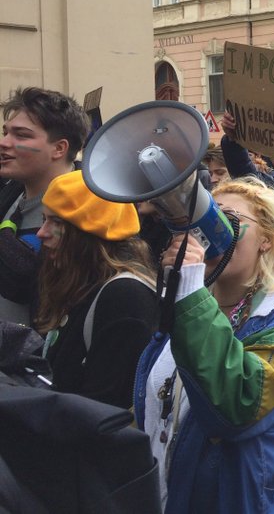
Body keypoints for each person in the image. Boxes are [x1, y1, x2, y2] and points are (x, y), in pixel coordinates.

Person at [134, 177, 274, 512]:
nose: (209, 233)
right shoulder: (187, 308)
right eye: (203, 220)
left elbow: (238, 405)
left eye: (228, 221)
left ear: (266, 240)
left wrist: (188, 288)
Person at [33, 171, 157, 407]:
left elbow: (102, 410)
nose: (42, 233)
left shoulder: (125, 297)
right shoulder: (80, 282)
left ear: (90, 230)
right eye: (43, 219)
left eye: (56, 222)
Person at [0, 87, 89, 324]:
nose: (4, 142)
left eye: (21, 135)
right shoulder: (8, 197)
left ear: (59, 148)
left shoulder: (87, 216)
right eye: (5, 132)